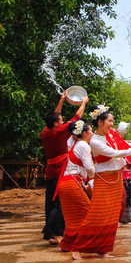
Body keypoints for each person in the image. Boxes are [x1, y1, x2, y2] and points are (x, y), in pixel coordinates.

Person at [72, 105, 131, 256]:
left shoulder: (111, 135)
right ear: (100, 122)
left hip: (116, 178)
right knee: (97, 214)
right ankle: (77, 247)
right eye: (110, 120)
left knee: (112, 216)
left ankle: (103, 248)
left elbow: (125, 145)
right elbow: (114, 153)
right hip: (104, 180)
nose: (112, 124)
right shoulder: (95, 141)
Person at [40, 92, 89, 245]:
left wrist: (61, 100)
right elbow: (76, 120)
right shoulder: (59, 132)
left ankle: (50, 233)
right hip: (61, 170)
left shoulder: (45, 132)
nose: (62, 120)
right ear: (56, 124)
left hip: (50, 170)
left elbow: (56, 115)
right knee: (59, 203)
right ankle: (56, 232)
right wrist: (84, 103)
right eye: (60, 120)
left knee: (50, 202)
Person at [57, 120, 95, 259]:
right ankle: (77, 248)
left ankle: (66, 245)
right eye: (91, 131)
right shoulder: (84, 145)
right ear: (84, 133)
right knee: (88, 213)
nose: (92, 133)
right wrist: (97, 176)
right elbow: (89, 167)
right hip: (72, 183)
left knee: (72, 217)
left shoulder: (77, 144)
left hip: (67, 183)